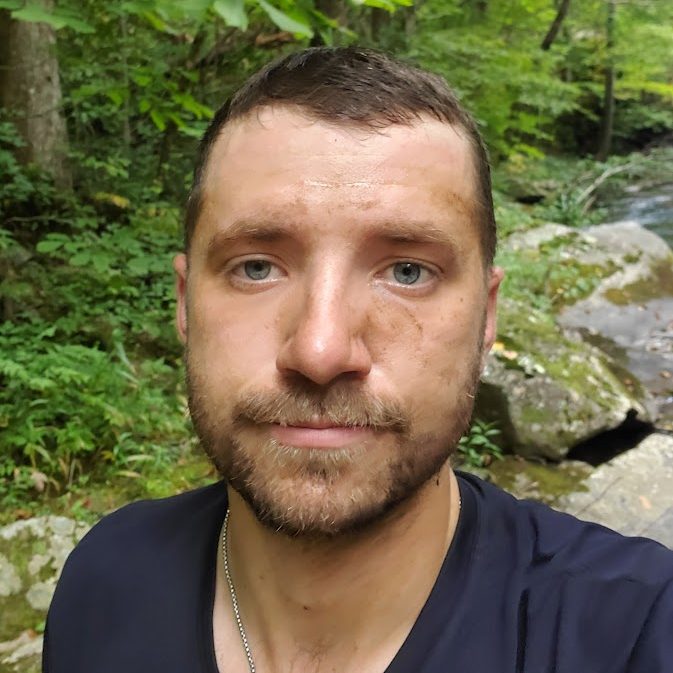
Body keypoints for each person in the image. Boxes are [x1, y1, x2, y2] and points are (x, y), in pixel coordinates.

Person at [43, 47, 673, 673]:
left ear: (487, 316)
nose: (320, 352)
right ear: (185, 304)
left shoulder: (634, 629)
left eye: (408, 271)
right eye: (256, 267)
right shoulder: (106, 582)